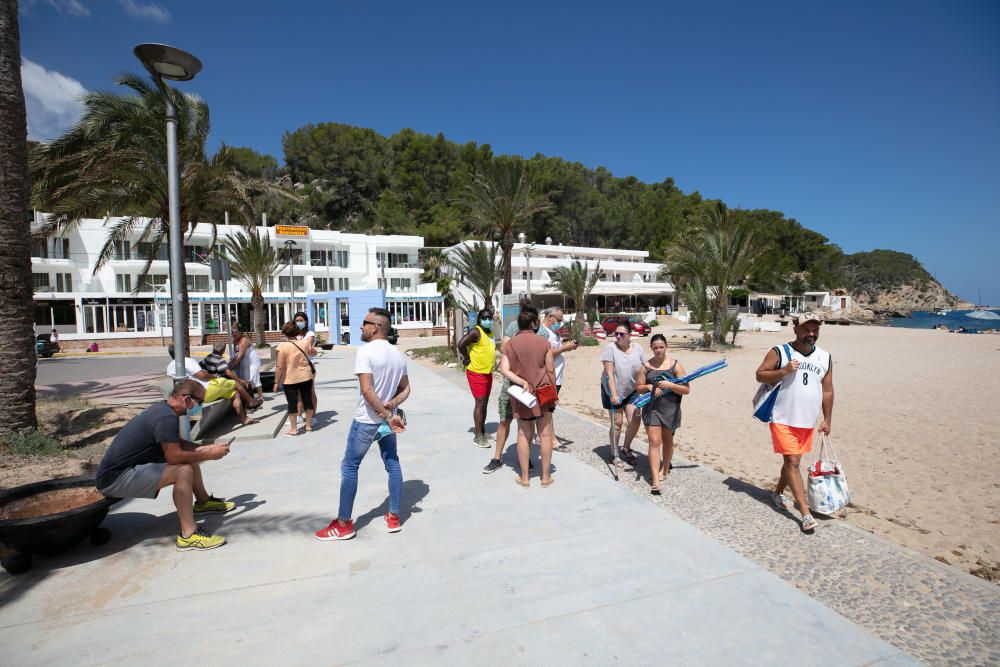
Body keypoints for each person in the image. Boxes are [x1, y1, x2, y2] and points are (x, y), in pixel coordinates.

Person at [95, 379, 234, 551]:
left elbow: (178, 445)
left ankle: (203, 502)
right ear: (187, 399)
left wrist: (205, 448)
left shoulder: (164, 409)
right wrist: (209, 455)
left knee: (190, 458)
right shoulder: (165, 417)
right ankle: (188, 535)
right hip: (114, 480)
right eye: (200, 402)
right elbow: (175, 456)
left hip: (124, 472)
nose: (199, 407)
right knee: (183, 470)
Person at [315, 307, 410, 540]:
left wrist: (386, 413)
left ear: (375, 327)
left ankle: (343, 523)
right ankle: (394, 516)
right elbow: (406, 389)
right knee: (392, 463)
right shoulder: (397, 354)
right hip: (387, 421)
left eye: (364, 322)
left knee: (350, 467)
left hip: (367, 421)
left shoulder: (366, 351)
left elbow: (367, 391)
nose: (360, 326)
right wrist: (391, 406)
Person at [754, 311, 834, 533]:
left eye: (815, 330)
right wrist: (784, 370)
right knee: (793, 463)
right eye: (806, 330)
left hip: (807, 421)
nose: (811, 334)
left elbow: (827, 390)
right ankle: (805, 513)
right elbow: (760, 375)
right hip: (782, 417)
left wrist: (827, 419)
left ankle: (777, 493)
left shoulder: (825, 357)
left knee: (792, 463)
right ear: (796, 329)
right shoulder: (780, 351)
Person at [500, 306, 557, 487]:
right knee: (545, 434)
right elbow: (550, 370)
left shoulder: (510, 344)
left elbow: (503, 369)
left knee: (523, 434)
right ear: (534, 323)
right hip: (543, 393)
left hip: (522, 395)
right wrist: (554, 391)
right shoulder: (543, 343)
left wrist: (521, 381)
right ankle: (545, 477)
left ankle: (524, 477)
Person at [634, 334, 688, 494]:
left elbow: (686, 389)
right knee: (654, 442)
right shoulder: (645, 366)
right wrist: (649, 387)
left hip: (671, 409)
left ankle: (665, 469)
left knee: (668, 440)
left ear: (666, 347)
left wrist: (670, 385)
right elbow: (638, 387)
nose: (658, 350)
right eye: (655, 347)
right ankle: (655, 480)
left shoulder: (676, 366)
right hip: (652, 409)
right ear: (651, 348)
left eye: (661, 347)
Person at [483, 308, 534, 474]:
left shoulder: (540, 335)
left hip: (528, 387)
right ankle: (497, 457)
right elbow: (503, 352)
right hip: (510, 386)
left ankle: (525, 458)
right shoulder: (513, 330)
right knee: (505, 420)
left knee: (525, 424)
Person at [168, 344, 257, 427]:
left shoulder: (170, 367)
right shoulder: (186, 361)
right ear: (183, 351)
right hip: (206, 390)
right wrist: (213, 377)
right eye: (187, 349)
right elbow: (201, 375)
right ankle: (250, 401)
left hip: (193, 397)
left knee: (234, 393)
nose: (188, 351)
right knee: (235, 383)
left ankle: (244, 418)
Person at [601, 323, 646, 467]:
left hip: (632, 390)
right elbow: (609, 374)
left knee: (635, 419)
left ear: (630, 335)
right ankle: (614, 454)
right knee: (618, 423)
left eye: (622, 334)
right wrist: (614, 395)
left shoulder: (638, 348)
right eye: (616, 334)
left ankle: (626, 448)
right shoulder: (610, 348)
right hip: (612, 390)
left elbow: (645, 368)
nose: (618, 336)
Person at [537, 306, 578, 452]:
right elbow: (544, 354)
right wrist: (564, 348)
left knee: (549, 409)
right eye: (559, 320)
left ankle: (544, 435)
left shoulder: (552, 332)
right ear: (550, 317)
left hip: (557, 376)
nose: (560, 323)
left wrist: (567, 346)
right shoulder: (543, 333)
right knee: (548, 409)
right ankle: (552, 439)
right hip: (549, 377)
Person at [458, 309, 496, 447]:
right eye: (485, 318)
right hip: (476, 372)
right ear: (480, 319)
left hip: (487, 372)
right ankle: (478, 436)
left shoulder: (490, 332)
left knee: (485, 402)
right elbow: (461, 344)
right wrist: (466, 358)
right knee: (480, 402)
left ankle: (483, 430)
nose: (488, 320)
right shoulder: (476, 331)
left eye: (490, 318)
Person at [274, 321, 317, 436]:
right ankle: (308, 426)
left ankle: (294, 429)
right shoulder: (304, 342)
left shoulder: (282, 346)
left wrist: (276, 382)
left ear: (285, 333)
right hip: (306, 376)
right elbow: (314, 352)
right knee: (307, 400)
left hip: (290, 379)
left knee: (292, 403)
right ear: (297, 331)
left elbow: (279, 366)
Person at [200, 341, 261, 411]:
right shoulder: (220, 360)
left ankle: (250, 402)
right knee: (243, 384)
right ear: (223, 350)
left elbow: (200, 365)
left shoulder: (208, 357)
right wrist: (241, 380)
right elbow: (228, 372)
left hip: (212, 381)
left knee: (240, 383)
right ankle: (249, 403)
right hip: (219, 382)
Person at [293, 311, 319, 423]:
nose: (299, 322)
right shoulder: (294, 334)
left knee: (310, 391)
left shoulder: (310, 334)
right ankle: (299, 415)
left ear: (306, 321)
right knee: (298, 392)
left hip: (308, 365)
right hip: (295, 366)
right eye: (297, 320)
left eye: (301, 320)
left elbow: (306, 346)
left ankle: (313, 416)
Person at [229, 324, 262, 402]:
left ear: (241, 332)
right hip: (244, 362)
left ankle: (261, 397)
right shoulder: (235, 341)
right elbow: (236, 355)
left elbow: (240, 356)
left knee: (254, 378)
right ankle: (251, 397)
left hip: (252, 361)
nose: (234, 334)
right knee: (246, 379)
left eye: (236, 332)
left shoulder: (244, 340)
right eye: (232, 332)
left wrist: (230, 367)